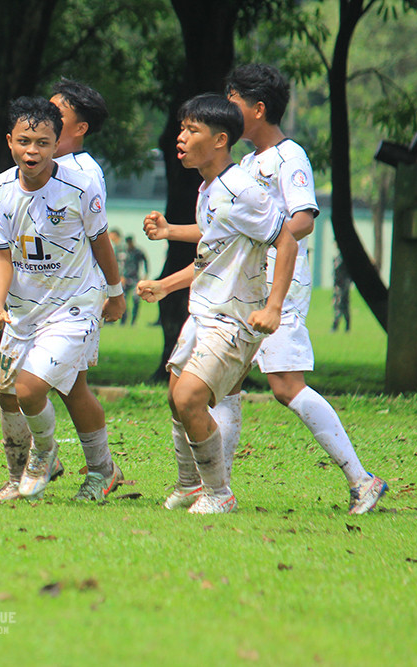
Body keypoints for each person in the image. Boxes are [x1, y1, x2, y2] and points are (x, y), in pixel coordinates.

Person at [146, 65, 386, 514]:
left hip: (274, 289)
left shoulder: (288, 156)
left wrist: (267, 249)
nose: (226, 110)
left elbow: (298, 223)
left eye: (232, 101)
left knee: (285, 386)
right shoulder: (239, 167)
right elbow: (218, 232)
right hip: (235, 291)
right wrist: (173, 239)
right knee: (223, 390)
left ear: (256, 109)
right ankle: (216, 487)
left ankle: (362, 479)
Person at [137, 93, 298, 514]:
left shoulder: (243, 189)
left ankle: (218, 492)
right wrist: (166, 284)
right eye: (182, 128)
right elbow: (215, 251)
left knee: (190, 396)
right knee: (177, 395)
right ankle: (191, 485)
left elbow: (286, 240)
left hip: (234, 317)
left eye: (192, 130)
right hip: (204, 311)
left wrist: (274, 308)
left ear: (221, 139)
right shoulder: (209, 187)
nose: (181, 137)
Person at [0, 79, 126, 502]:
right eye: (25, 138)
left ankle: (48, 459)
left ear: (68, 131)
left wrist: (115, 291)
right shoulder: (1, 188)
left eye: (50, 127)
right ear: (10, 140)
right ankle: (69, 471)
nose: (35, 146)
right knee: (31, 390)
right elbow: (2, 254)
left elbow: (100, 238)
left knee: (35, 389)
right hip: (26, 307)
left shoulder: (82, 178)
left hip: (73, 304)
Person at [121, 236, 148, 325]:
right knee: (123, 300)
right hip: (125, 278)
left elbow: (145, 262)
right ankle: (123, 319)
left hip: (135, 278)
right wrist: (121, 276)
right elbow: (121, 265)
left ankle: (133, 320)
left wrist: (145, 274)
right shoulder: (124, 252)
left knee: (135, 299)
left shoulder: (138, 252)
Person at [332, 252, 351, 332]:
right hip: (339, 285)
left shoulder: (343, 259)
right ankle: (346, 327)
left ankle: (336, 326)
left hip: (343, 285)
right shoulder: (337, 257)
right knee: (341, 305)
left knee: (341, 305)